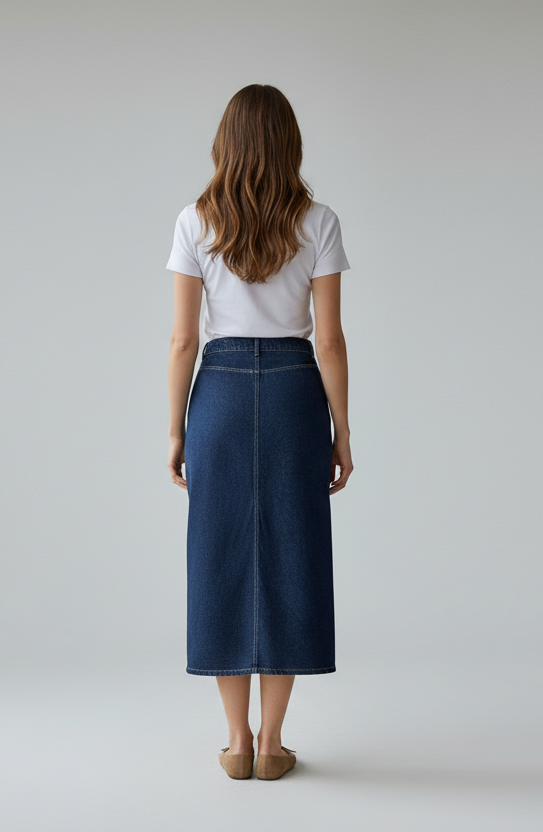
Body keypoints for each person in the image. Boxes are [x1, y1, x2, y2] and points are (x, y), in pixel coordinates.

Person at [165, 84, 353, 780]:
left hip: (216, 392)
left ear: (226, 143)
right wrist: (341, 432)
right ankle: (273, 744)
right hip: (294, 394)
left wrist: (176, 430)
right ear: (289, 144)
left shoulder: (194, 220)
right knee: (292, 555)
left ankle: (236, 742)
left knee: (218, 557)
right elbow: (328, 340)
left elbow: (183, 340)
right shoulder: (319, 221)